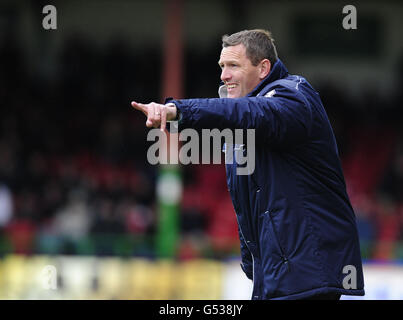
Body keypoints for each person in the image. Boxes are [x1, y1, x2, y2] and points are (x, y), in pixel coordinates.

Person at [131, 29, 365, 300]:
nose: (223, 75)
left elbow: (253, 113)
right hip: (277, 273)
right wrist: (252, 262)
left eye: (233, 66)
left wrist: (179, 111)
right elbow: (248, 201)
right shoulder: (242, 121)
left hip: (309, 272)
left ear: (264, 68)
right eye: (221, 66)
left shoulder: (294, 96)